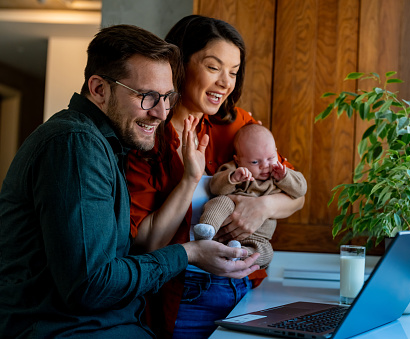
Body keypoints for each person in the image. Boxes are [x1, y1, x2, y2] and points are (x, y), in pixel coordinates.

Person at [0, 24, 259, 338]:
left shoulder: (107, 144)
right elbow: (91, 285)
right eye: (149, 97)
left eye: (167, 97)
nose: (162, 113)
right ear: (99, 89)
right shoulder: (75, 144)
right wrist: (188, 254)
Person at [126, 15, 305, 339]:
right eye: (213, 67)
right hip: (184, 295)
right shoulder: (148, 135)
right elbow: (147, 244)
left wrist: (261, 208)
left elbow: (296, 195)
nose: (226, 82)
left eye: (234, 72)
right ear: (179, 64)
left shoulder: (240, 126)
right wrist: (191, 180)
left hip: (248, 288)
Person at [194, 124, 307, 268]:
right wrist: (233, 178)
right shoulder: (235, 170)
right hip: (226, 222)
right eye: (255, 162)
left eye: (270, 157)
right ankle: (207, 228)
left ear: (276, 152)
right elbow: (215, 188)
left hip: (259, 237)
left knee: (266, 253)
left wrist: (285, 177)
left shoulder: (278, 175)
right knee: (221, 202)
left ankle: (240, 254)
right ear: (238, 160)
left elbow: (301, 190)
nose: (265, 165)